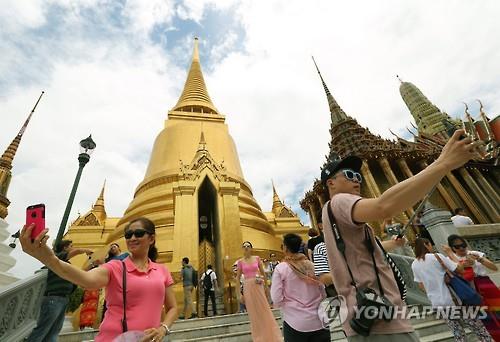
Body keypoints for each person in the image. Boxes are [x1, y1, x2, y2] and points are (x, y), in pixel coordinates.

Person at [320, 129, 483, 341]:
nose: (357, 181)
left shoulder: (331, 213)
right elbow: (384, 207)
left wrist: (393, 244)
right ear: (331, 183)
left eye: (358, 176)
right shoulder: (340, 201)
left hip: (368, 315)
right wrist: (443, 164)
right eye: (349, 175)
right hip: (380, 319)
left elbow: (363, 253)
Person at [20, 217, 178, 342]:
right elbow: (85, 279)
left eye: (138, 233)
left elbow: (172, 307)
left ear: (151, 238)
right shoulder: (116, 267)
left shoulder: (162, 270)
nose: (132, 238)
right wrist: (50, 260)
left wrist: (163, 328)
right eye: (128, 235)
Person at [412, 238, 492, 341]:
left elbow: (421, 286)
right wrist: (450, 253)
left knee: (457, 332)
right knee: (477, 327)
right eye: (430, 244)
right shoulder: (436, 257)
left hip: (438, 303)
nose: (431, 247)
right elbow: (459, 270)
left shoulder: (414, 264)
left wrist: (434, 288)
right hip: (454, 299)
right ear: (426, 245)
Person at [26, 240, 93, 342]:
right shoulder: (57, 258)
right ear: (65, 248)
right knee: (43, 329)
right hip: (54, 298)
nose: (73, 248)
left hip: (63, 299)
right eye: (71, 246)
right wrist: (85, 250)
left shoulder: (66, 265)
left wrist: (91, 266)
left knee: (54, 331)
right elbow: (76, 251)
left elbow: (77, 276)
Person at [271, 233, 330, 342]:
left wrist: (284, 305)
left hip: (295, 322)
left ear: (285, 247)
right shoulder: (311, 266)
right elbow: (323, 292)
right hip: (319, 320)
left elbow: (276, 298)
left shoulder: (281, 269)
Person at [444, 234, 500, 340]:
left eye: (463, 245)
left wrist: (479, 260)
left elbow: (494, 268)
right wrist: (461, 266)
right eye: (457, 246)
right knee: (486, 317)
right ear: (452, 248)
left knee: (498, 307)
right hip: (470, 289)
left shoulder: (474, 253)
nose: (461, 248)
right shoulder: (449, 259)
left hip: (485, 284)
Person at [236, 241, 282, 342]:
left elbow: (263, 273)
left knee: (264, 309)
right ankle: (259, 338)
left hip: (258, 285)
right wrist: (239, 294)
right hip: (247, 286)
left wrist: (266, 287)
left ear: (251, 248)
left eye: (248, 246)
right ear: (242, 249)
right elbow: (238, 278)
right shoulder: (240, 262)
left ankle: (270, 335)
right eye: (244, 246)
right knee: (253, 313)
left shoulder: (257, 258)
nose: (246, 248)